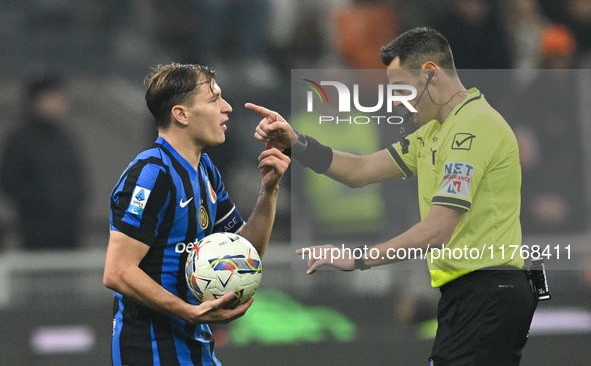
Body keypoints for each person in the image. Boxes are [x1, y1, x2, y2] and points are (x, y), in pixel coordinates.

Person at [247, 27, 537, 365]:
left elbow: (436, 230)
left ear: (430, 74)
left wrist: (358, 260)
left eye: (400, 89)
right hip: (474, 296)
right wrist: (296, 142)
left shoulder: (471, 129)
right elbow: (360, 170)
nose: (396, 101)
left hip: (488, 293)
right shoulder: (434, 131)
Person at [103, 63, 290, 365]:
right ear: (182, 114)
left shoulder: (206, 171)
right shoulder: (151, 175)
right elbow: (117, 271)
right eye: (214, 99)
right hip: (150, 351)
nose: (227, 108)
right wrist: (188, 311)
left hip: (197, 348)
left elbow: (246, 253)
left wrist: (269, 191)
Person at [0, 73, 86, 249]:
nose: (59, 102)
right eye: (52, 96)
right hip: (36, 233)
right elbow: (10, 182)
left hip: (69, 230)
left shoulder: (64, 137)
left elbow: (77, 177)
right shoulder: (21, 139)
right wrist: (42, 203)